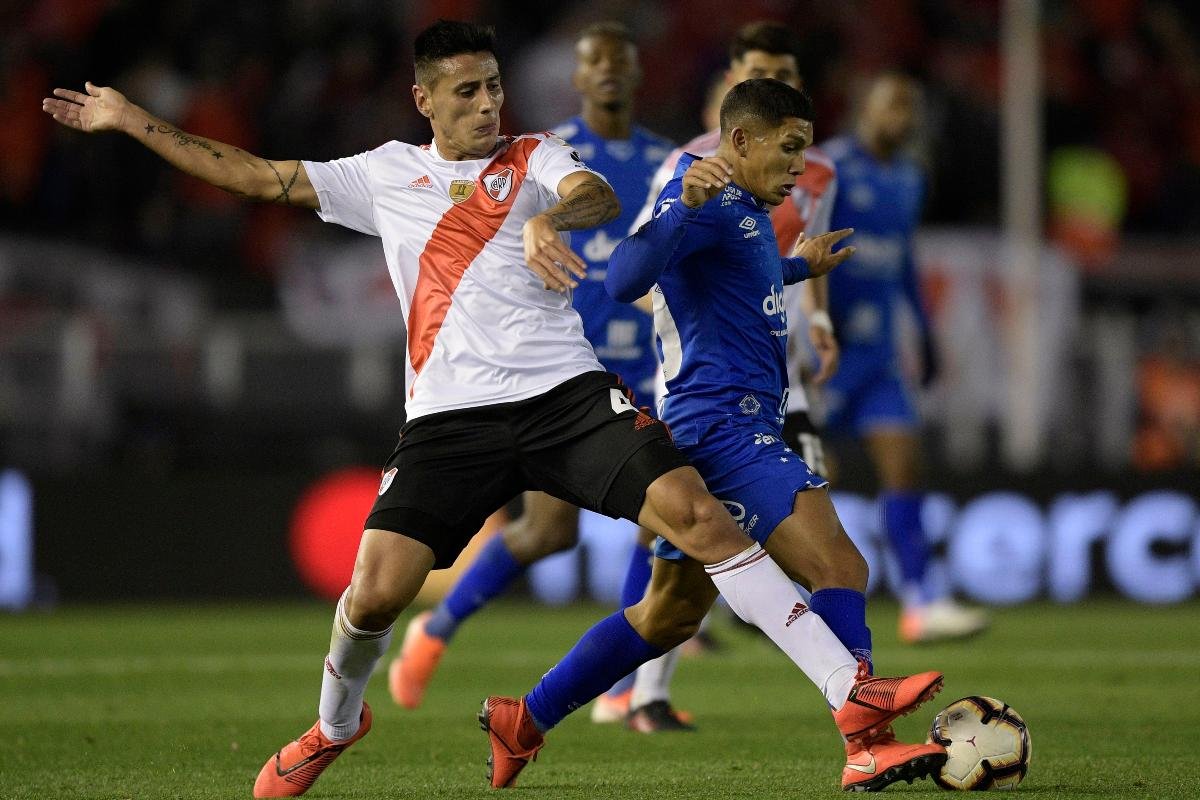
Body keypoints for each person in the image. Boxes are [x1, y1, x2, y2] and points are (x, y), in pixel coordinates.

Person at [42, 20, 917, 799]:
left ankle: (852, 700)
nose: (487, 104)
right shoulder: (385, 175)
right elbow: (257, 178)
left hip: (567, 396)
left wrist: (551, 220)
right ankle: (334, 727)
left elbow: (597, 196)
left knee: (696, 517)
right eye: (466, 91)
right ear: (424, 99)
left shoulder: (534, 159)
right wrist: (132, 122)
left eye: (494, 86)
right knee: (375, 593)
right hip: (449, 421)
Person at [480, 78, 947, 794]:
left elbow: (736, 280)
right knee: (841, 568)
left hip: (720, 427)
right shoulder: (702, 203)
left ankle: (526, 719)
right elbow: (625, 277)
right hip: (721, 427)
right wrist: (681, 205)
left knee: (663, 616)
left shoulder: (752, 213)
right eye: (788, 148)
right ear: (739, 141)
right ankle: (866, 736)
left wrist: (801, 267)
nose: (799, 164)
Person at [387, 20, 679, 727]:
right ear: (575, 78)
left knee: (661, 518)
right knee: (548, 534)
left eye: (621, 60)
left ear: (639, 75)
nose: (608, 71)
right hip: (564, 366)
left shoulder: (666, 160)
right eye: (594, 61)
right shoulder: (543, 155)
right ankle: (436, 628)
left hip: (645, 358)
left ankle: (628, 692)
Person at [622, 19, 842, 730]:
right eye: (759, 66)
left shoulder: (807, 175)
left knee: (682, 581)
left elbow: (753, 264)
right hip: (708, 386)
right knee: (821, 555)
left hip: (768, 369)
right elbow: (640, 267)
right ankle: (856, 693)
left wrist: (810, 300)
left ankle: (580, 703)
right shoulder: (692, 170)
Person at [820, 72, 989, 644]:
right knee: (812, 475)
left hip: (879, 355)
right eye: (892, 103)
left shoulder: (911, 177)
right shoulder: (830, 168)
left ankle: (921, 599)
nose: (902, 116)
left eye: (910, 107)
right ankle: (741, 593)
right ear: (863, 108)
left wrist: (929, 334)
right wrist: (816, 326)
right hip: (828, 352)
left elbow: (903, 262)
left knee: (904, 464)